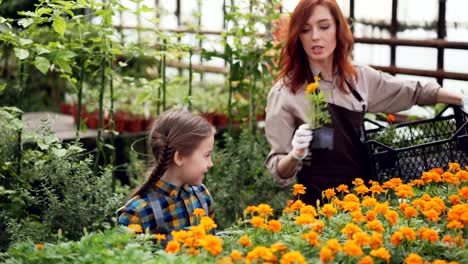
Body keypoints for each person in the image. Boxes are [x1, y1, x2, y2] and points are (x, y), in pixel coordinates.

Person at [264, 0, 468, 205]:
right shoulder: (285, 93)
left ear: (338, 29)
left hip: (363, 204)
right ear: (298, 37)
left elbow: (413, 91)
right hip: (318, 212)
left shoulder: (358, 78)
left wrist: (462, 99)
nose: (315, 36)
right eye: (306, 30)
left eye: (324, 27)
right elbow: (278, 170)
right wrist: (295, 155)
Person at [117, 109, 216, 237]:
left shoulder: (202, 196)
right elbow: (121, 255)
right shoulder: (137, 213)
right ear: (179, 157)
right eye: (207, 155)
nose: (211, 163)